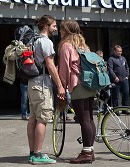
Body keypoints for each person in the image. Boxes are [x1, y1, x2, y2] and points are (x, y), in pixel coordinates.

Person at [27, 15, 65, 165]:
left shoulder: (33, 41)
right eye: (54, 26)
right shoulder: (46, 42)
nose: (55, 29)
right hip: (42, 84)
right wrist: (60, 86)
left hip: (32, 83)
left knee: (33, 118)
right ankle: (37, 155)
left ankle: (32, 153)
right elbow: (49, 65)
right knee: (42, 119)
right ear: (46, 26)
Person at [58, 20, 97, 163]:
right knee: (89, 118)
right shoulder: (84, 46)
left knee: (84, 120)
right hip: (89, 84)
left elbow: (64, 69)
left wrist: (61, 86)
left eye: (61, 29)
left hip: (77, 85)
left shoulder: (66, 46)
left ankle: (86, 152)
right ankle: (90, 150)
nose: (59, 32)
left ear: (67, 31)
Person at [107, 45, 130, 114]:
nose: (120, 53)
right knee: (115, 95)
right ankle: (116, 110)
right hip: (116, 80)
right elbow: (110, 69)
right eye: (118, 51)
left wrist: (127, 75)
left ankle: (125, 109)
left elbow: (127, 67)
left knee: (126, 94)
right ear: (114, 51)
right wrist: (114, 77)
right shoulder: (111, 59)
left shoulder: (123, 58)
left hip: (124, 79)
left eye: (120, 51)